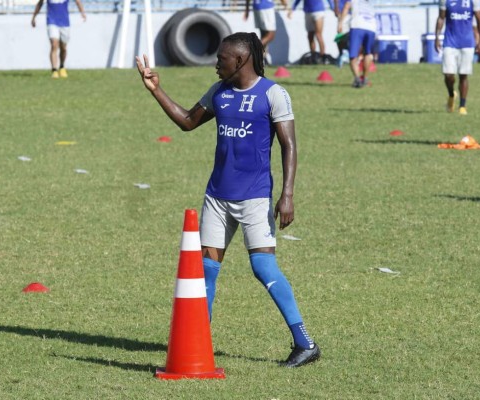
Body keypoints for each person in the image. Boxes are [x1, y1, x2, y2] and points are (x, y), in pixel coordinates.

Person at [135, 32, 321, 368]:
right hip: (216, 199)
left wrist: (287, 195)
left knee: (263, 268)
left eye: (221, 59)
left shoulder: (273, 94)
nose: (215, 64)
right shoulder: (219, 93)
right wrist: (156, 90)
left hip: (254, 198)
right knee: (205, 272)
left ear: (241, 60)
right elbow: (187, 122)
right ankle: (196, 346)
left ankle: (304, 342)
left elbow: (289, 146)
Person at [435, 0, 480, 115]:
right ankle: (451, 95)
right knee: (448, 75)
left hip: (467, 43)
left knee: (463, 75)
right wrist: (437, 37)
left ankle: (462, 105)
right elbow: (441, 18)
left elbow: (479, 20)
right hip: (450, 42)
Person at [31, 0, 86, 78]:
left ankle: (62, 66)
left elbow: (77, 1)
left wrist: (82, 13)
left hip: (64, 22)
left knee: (63, 48)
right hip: (52, 21)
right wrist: (34, 17)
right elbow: (40, 3)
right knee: (54, 45)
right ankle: (54, 70)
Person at [338, 0, 377, 88]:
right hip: (371, 27)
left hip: (357, 26)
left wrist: (341, 23)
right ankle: (365, 79)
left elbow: (346, 7)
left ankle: (357, 79)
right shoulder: (370, 3)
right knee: (368, 53)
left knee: (353, 55)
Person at [288, 0, 335, 64]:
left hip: (318, 10)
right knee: (310, 36)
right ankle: (314, 57)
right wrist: (292, 9)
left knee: (318, 35)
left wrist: (333, 7)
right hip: (308, 11)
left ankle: (322, 57)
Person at [243, 0, 289, 65]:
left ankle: (261, 59)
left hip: (256, 6)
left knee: (264, 34)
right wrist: (286, 6)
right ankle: (252, 49)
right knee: (271, 35)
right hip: (266, 7)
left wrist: (247, 9)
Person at [333, 0, 351, 67]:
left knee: (341, 35)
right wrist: (336, 7)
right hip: (343, 13)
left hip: (346, 13)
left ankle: (344, 54)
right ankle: (343, 54)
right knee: (340, 35)